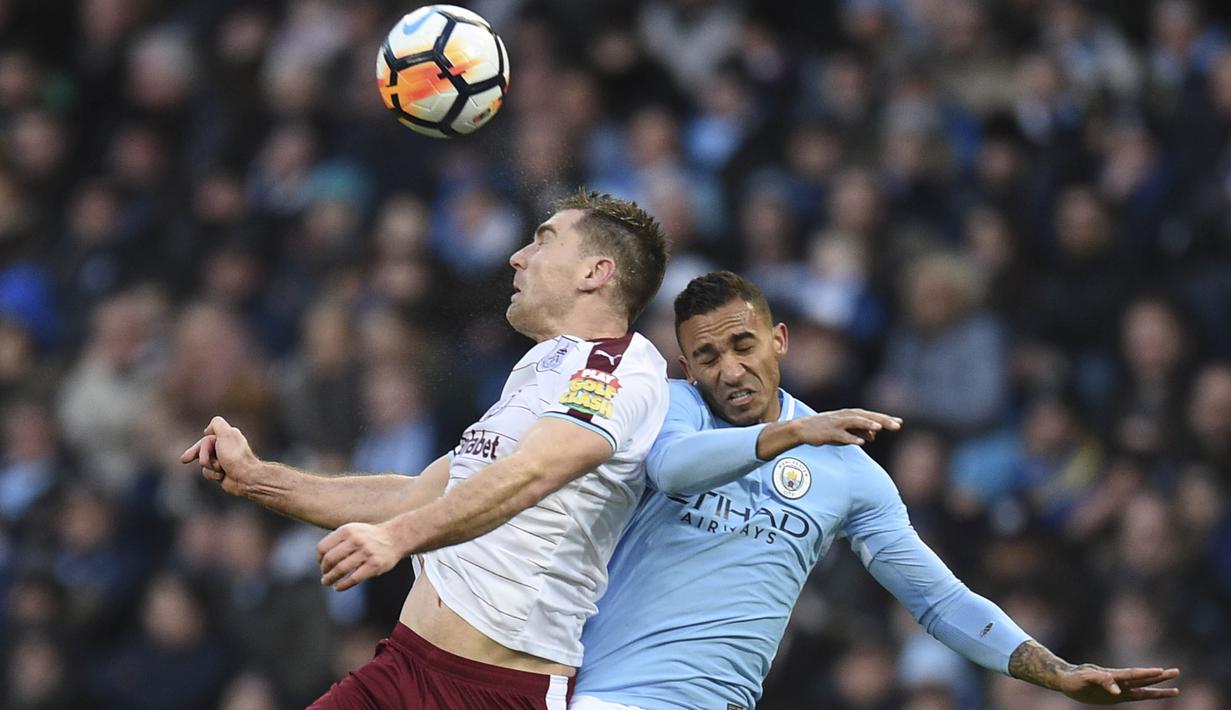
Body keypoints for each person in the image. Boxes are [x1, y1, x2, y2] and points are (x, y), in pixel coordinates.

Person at [570, 271, 1181, 710]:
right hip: (612, 694)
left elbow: (939, 602)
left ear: (778, 340)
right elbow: (672, 467)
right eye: (706, 356)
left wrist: (1056, 671)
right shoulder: (674, 409)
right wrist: (791, 432)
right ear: (686, 368)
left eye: (743, 345)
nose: (728, 369)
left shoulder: (847, 472)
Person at [181, 191, 671, 709]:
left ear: (595, 272)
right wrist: (255, 477)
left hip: (493, 691)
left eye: (543, 242)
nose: (518, 256)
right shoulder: (539, 372)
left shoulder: (617, 370)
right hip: (403, 666)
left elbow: (534, 473)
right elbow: (411, 496)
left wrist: (397, 539)